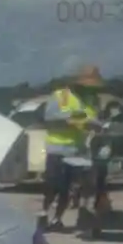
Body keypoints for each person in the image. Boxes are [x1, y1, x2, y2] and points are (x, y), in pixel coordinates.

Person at [41, 64, 107, 230]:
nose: (90, 90)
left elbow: (95, 120)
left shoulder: (92, 101)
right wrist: (72, 121)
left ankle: (57, 219)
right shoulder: (63, 96)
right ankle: (43, 214)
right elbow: (50, 119)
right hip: (57, 148)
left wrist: (96, 126)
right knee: (53, 186)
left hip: (77, 150)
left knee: (68, 189)